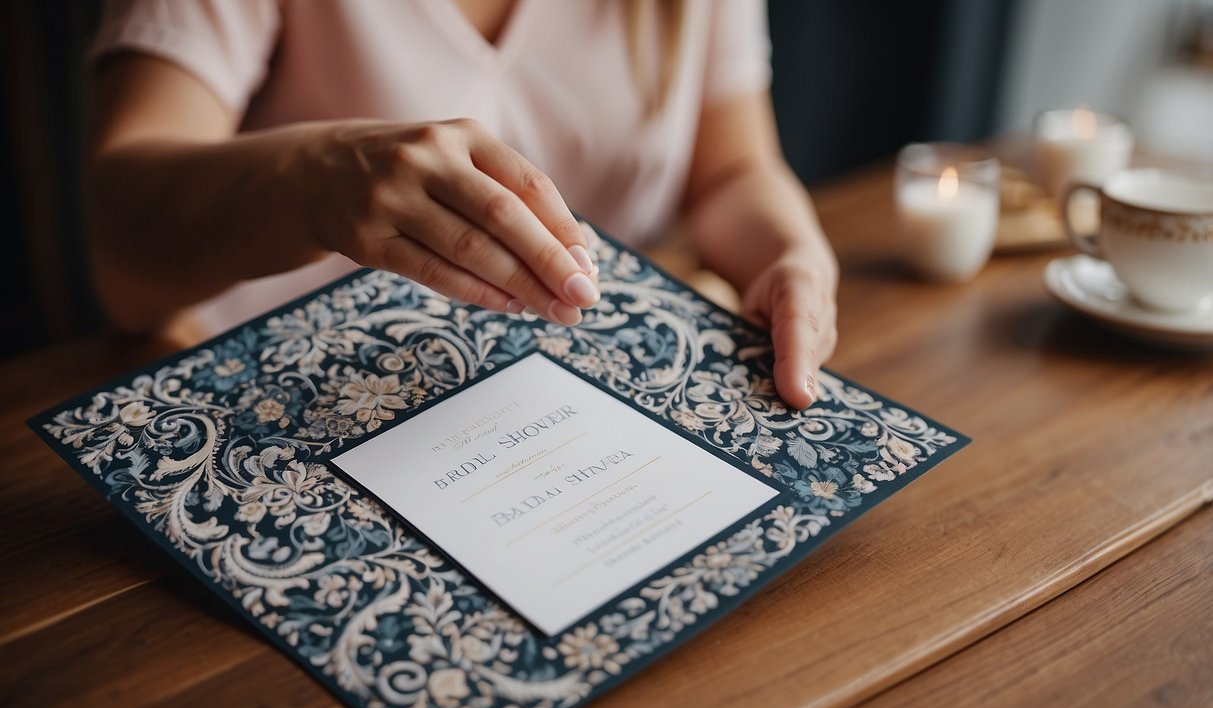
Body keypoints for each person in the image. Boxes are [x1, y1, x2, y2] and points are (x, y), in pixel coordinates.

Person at [85, 0, 838, 409]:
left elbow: (734, 170)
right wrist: (312, 182)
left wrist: (789, 254)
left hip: (582, 412)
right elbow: (121, 252)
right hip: (286, 414)